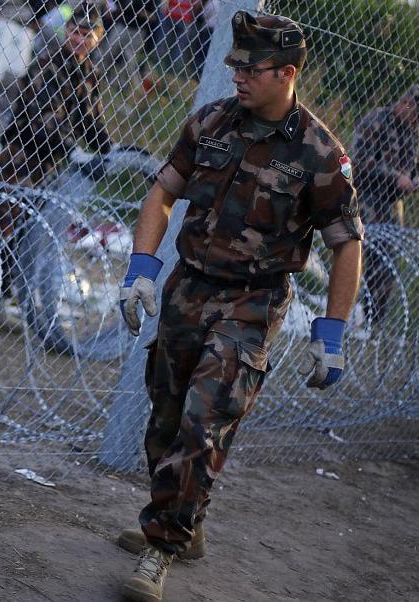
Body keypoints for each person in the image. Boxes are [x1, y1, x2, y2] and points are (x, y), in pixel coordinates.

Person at [115, 11, 363, 601]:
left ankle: (162, 545)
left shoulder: (320, 153)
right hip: (187, 286)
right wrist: (141, 268)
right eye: (234, 65)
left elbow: (346, 243)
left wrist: (330, 332)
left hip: (252, 302)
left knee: (206, 420)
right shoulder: (210, 123)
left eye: (250, 69)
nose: (238, 77)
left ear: (286, 73)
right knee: (166, 420)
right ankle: (185, 524)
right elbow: (162, 191)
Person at [0, 2, 114, 330]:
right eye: (75, 30)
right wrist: (71, 149)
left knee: (22, 238)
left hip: (46, 166)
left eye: (88, 33)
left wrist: (108, 152)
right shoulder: (48, 65)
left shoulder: (88, 73)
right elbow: (35, 120)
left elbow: (90, 120)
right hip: (21, 158)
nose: (79, 38)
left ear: (98, 39)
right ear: (66, 32)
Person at [350, 84, 419, 322]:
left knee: (388, 261)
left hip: (390, 202)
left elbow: (410, 166)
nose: (417, 122)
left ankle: (373, 321)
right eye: (416, 115)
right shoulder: (377, 120)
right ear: (407, 104)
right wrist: (394, 177)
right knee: (369, 254)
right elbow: (359, 160)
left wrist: (413, 177)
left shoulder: (410, 132)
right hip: (366, 195)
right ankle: (355, 312)